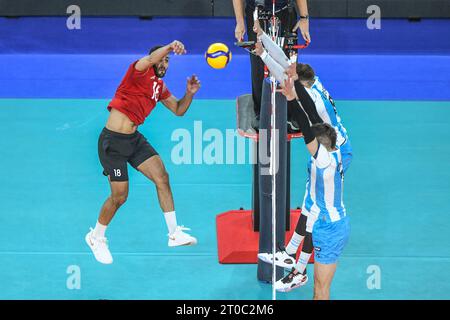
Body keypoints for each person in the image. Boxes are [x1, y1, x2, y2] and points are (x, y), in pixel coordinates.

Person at [85, 40, 200, 265]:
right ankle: (96, 237)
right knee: (120, 197)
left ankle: (174, 233)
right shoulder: (138, 70)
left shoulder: (160, 88)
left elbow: (178, 110)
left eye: (168, 61)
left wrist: (189, 93)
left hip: (134, 140)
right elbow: (150, 58)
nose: (165, 64)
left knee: (162, 177)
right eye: (162, 59)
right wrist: (169, 47)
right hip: (113, 143)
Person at [277, 78, 350, 299]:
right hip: (323, 222)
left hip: (331, 229)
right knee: (317, 288)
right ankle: (298, 269)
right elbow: (312, 115)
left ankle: (298, 269)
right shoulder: (334, 146)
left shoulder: (324, 161)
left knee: (321, 289)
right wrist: (295, 85)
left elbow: (308, 130)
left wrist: (290, 99)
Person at [232, 0, 311, 127]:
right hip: (257, 12)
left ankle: (292, 110)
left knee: (288, 61)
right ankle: (260, 112)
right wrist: (240, 21)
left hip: (285, 11)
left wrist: (304, 18)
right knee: (258, 61)